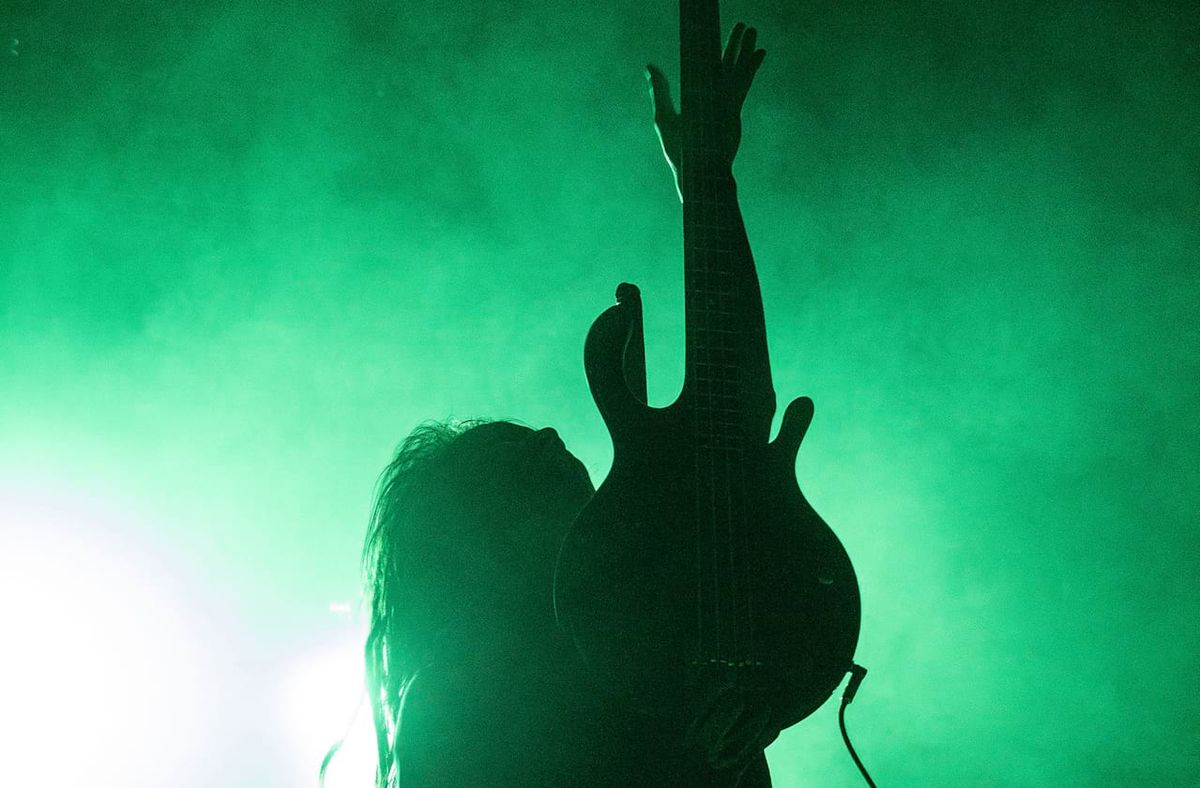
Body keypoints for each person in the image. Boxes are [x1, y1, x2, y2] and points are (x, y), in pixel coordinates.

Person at [360, 23, 774, 787]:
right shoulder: (459, 699)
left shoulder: (647, 632)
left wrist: (709, 182)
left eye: (533, 437)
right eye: (518, 461)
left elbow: (738, 415)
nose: (551, 436)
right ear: (478, 546)